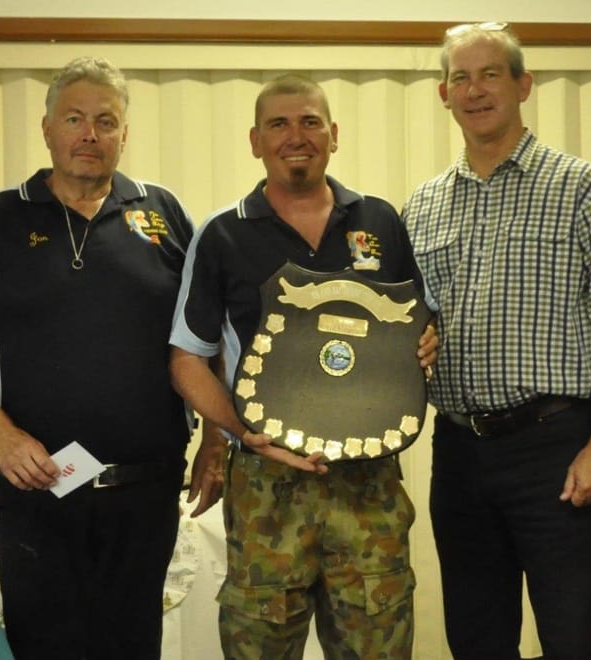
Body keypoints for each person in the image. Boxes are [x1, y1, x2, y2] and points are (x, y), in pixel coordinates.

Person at [0, 56, 210, 660]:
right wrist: (0, 435)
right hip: (40, 489)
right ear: (46, 128)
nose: (89, 134)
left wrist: (218, 441)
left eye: (106, 121)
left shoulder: (165, 215)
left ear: (125, 134)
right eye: (74, 118)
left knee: (134, 645)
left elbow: (208, 338)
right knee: (45, 646)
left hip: (147, 490)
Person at [401, 22, 591, 660]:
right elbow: (413, 322)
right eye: (460, 77)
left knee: (573, 635)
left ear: (523, 84)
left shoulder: (583, 188)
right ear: (443, 94)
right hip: (459, 451)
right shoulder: (423, 206)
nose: (475, 89)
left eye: (491, 73)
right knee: (476, 636)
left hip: (557, 449)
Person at [169, 74, 438, 659]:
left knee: (378, 642)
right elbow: (188, 359)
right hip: (269, 486)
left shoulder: (381, 221)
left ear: (334, 135)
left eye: (311, 121)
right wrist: (241, 436)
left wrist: (427, 345)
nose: (297, 135)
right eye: (279, 124)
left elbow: (416, 324)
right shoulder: (223, 234)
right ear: (255, 140)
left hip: (368, 481)